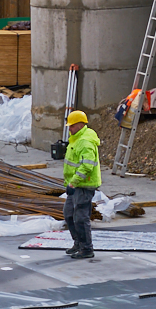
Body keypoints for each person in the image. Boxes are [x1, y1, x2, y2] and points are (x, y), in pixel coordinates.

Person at [62, 108, 101, 260]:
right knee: (69, 214)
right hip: (77, 185)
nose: (69, 129)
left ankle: (86, 249)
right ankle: (78, 243)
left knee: (80, 217)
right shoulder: (77, 138)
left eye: (71, 126)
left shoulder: (85, 142)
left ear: (79, 125)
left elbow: (87, 166)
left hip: (84, 185)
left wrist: (73, 182)